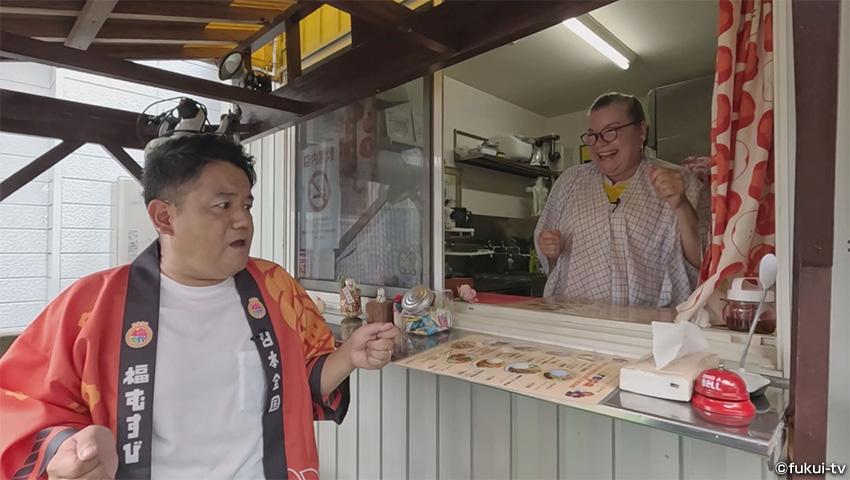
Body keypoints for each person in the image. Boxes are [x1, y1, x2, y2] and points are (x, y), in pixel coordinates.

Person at [0, 134, 400, 480]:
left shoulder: (276, 289)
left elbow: (302, 384)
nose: (243, 220)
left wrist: (349, 356)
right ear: (164, 217)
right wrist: (67, 447)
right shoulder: (90, 307)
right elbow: (16, 403)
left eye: (247, 205)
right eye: (223, 206)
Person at [534, 93, 709, 307]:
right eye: (592, 135)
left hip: (651, 319)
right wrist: (550, 248)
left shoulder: (682, 181)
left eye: (611, 131)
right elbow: (548, 256)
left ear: (641, 131)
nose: (600, 143)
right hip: (575, 317)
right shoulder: (570, 182)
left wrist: (681, 205)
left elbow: (705, 261)